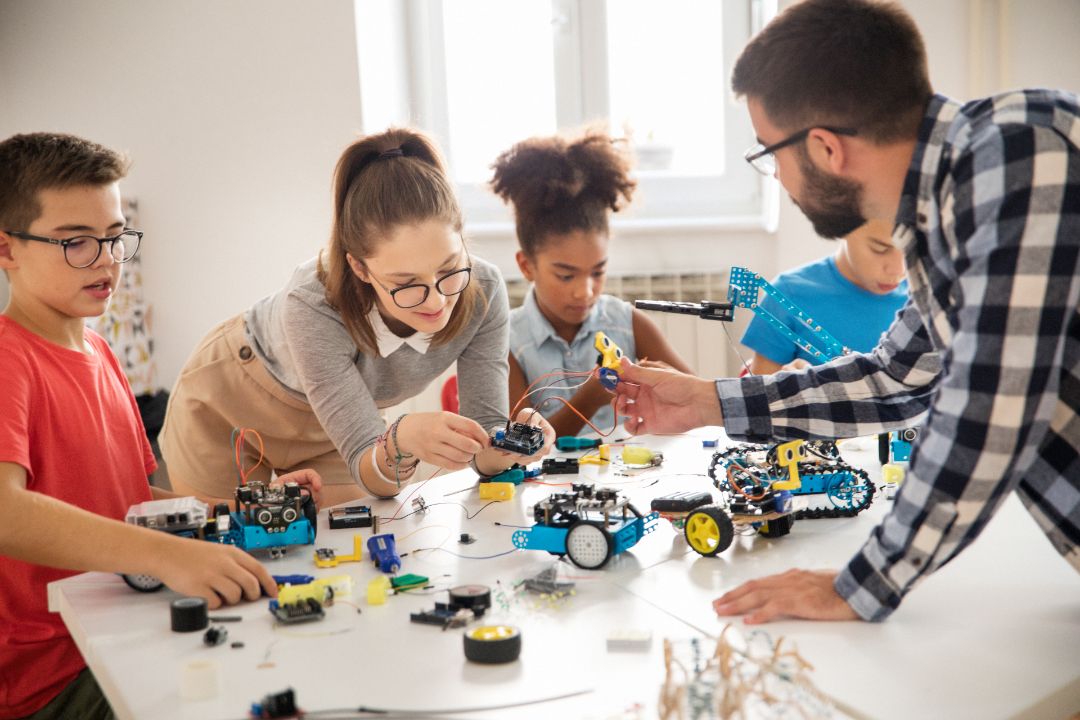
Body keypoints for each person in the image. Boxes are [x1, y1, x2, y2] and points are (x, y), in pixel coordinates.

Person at [614, 0, 1080, 623]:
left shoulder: (1021, 156)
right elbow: (895, 379)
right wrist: (707, 401)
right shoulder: (949, 204)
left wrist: (860, 584)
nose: (776, 177)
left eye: (768, 154)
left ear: (825, 147)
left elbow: (990, 408)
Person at [0, 133, 284, 720]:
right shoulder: (9, 360)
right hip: (55, 678)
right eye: (76, 242)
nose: (106, 260)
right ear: (7, 250)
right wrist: (166, 556)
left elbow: (130, 502)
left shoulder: (101, 353)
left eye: (114, 237)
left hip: (124, 623)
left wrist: (241, 510)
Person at [160, 128, 554, 508]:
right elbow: (380, 453)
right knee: (234, 540)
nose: (437, 299)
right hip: (229, 404)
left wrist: (513, 447)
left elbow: (473, 449)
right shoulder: (312, 303)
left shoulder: (484, 289)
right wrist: (402, 437)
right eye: (406, 283)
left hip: (328, 425)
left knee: (361, 530)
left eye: (450, 268)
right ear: (359, 268)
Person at [490, 130, 692, 436]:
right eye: (566, 275)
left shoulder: (628, 324)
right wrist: (589, 399)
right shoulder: (508, 343)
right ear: (527, 266)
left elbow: (697, 401)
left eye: (598, 272)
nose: (585, 292)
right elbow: (520, 444)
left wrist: (666, 386)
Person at [741, 218, 907, 374]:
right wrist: (788, 386)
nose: (899, 270)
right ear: (843, 227)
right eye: (880, 249)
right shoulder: (786, 295)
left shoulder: (919, 297)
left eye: (912, 249)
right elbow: (760, 390)